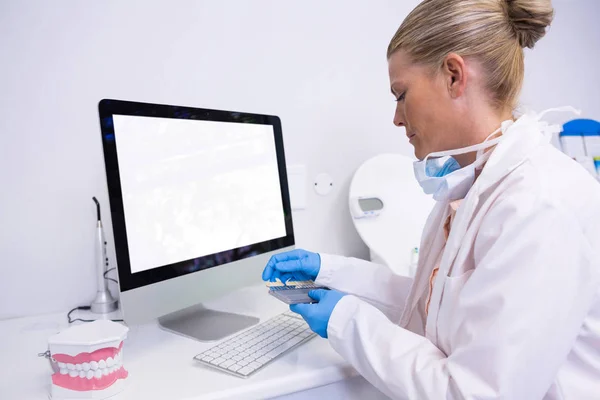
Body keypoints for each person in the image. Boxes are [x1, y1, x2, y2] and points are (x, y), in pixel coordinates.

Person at [262, 0, 600, 398]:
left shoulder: (541, 205)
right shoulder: (471, 186)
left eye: (400, 94)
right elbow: (434, 309)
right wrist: (331, 273)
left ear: (454, 76)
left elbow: (474, 392)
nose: (397, 118)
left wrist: (346, 319)